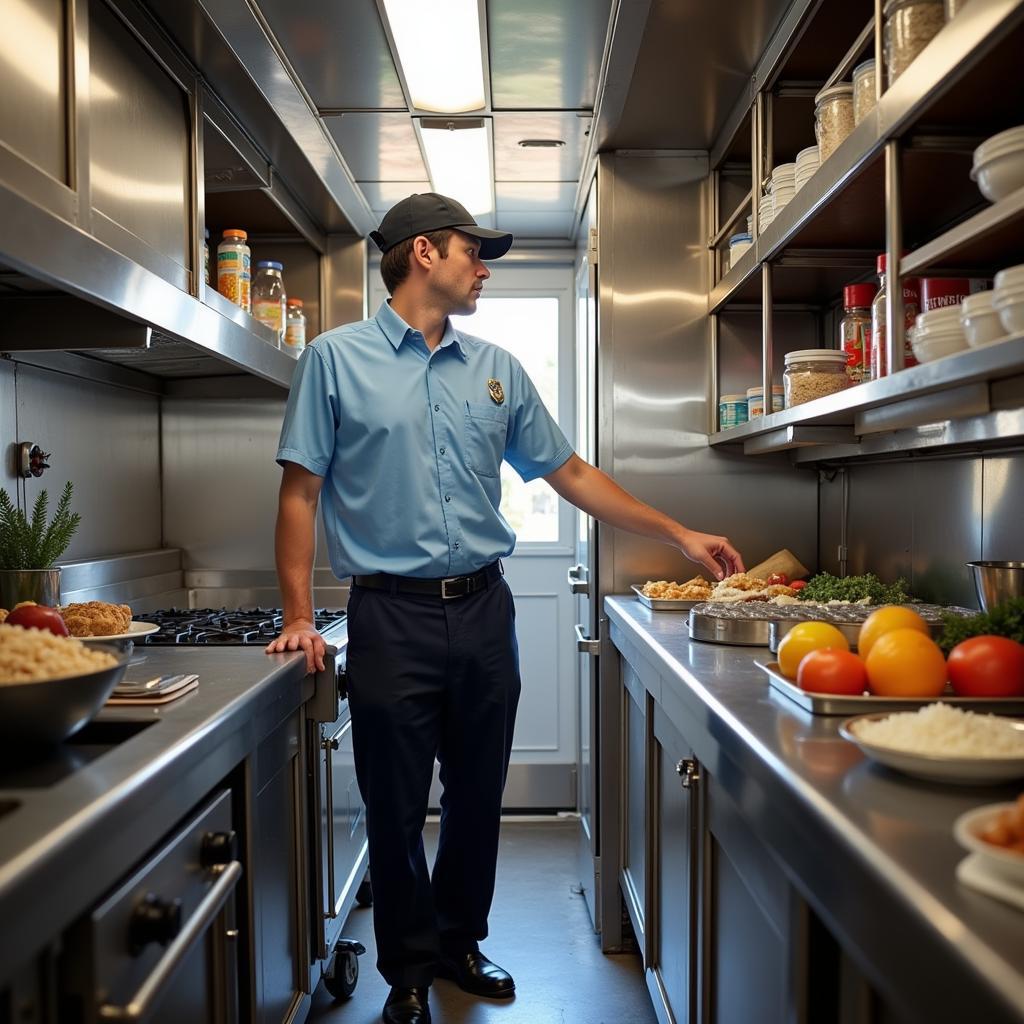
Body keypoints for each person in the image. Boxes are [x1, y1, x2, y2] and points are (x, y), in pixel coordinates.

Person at [266, 192, 744, 1024]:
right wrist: (300, 613)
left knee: (478, 792)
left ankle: (459, 943)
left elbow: (573, 474)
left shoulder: (497, 369)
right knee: (393, 801)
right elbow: (300, 494)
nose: (483, 268)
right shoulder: (333, 361)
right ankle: (407, 971)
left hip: (485, 609)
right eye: (471, 252)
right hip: (389, 615)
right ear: (423, 254)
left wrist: (676, 532)